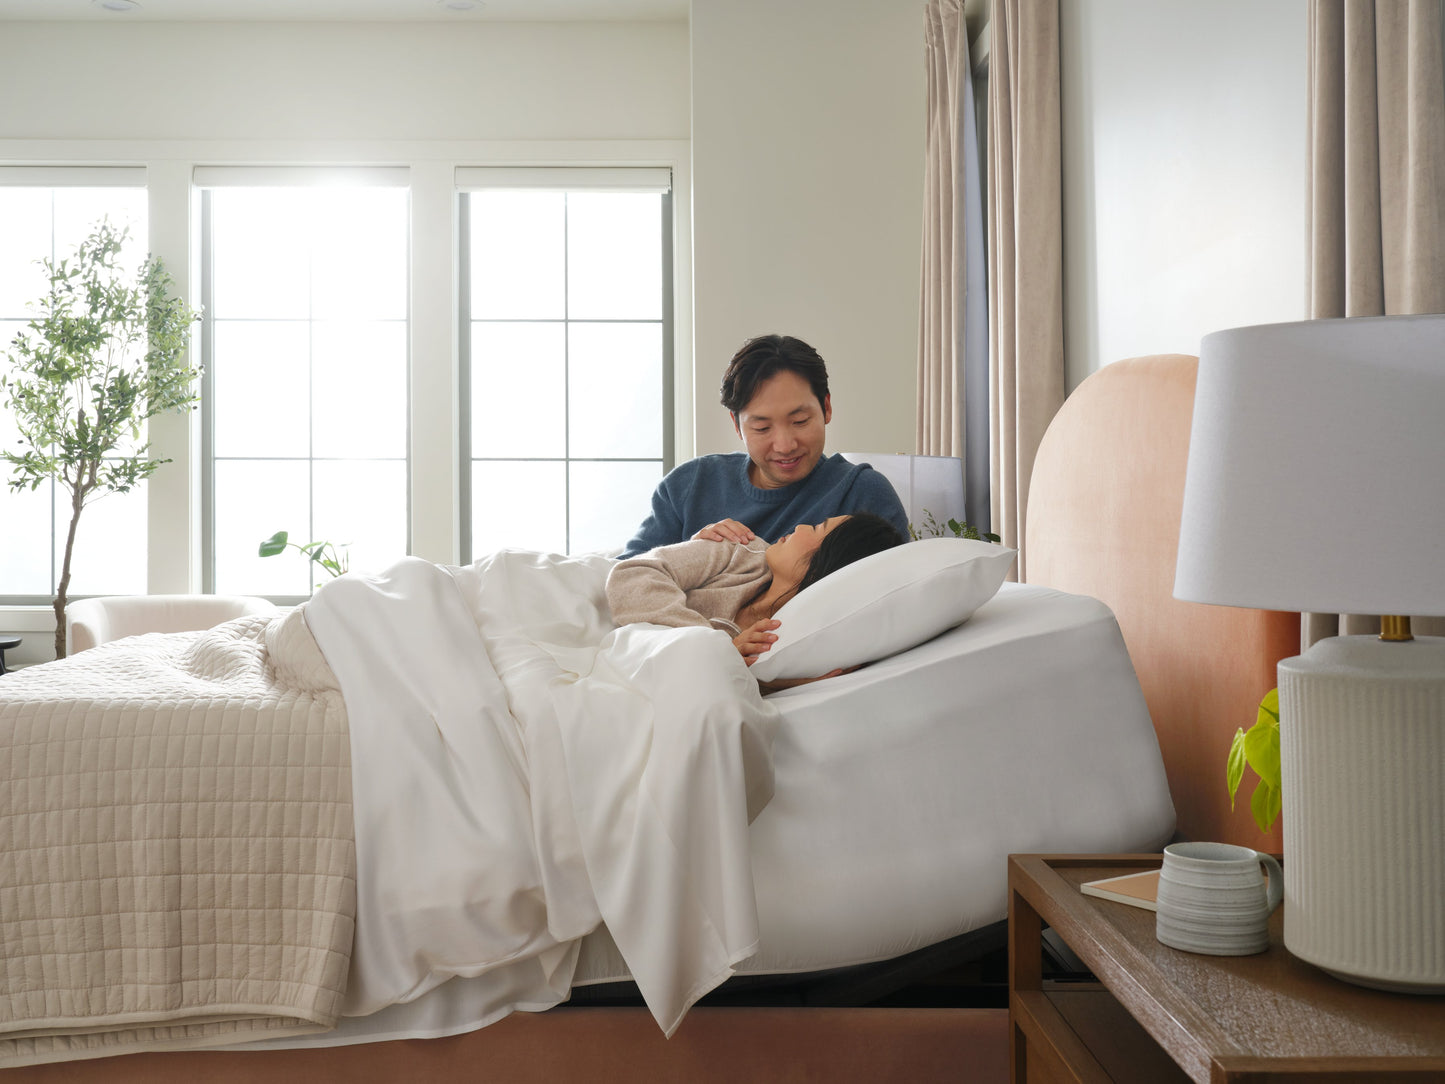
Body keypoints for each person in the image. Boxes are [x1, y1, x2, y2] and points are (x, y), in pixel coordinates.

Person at [618, 334, 909, 558]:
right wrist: (691, 555)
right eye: (762, 428)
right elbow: (625, 580)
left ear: (826, 408)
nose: (784, 445)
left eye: (800, 421)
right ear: (736, 424)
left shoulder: (861, 494)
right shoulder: (687, 486)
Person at [607, 513, 904, 680]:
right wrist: (716, 648)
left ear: (827, 567)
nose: (799, 525)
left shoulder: (789, 643)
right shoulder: (740, 549)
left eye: (816, 528)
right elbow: (633, 574)